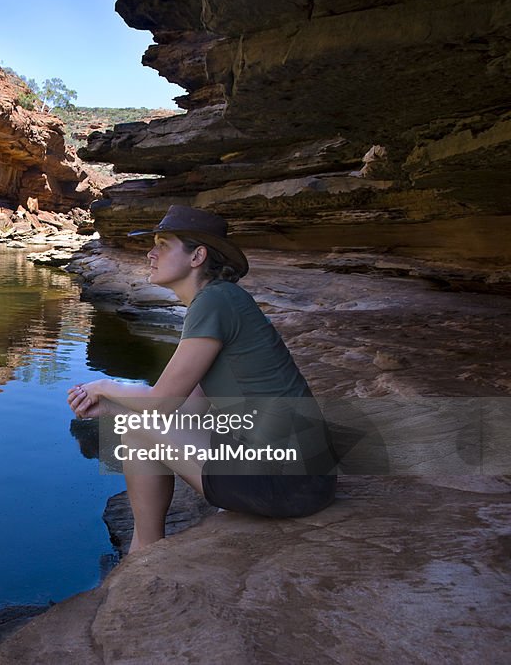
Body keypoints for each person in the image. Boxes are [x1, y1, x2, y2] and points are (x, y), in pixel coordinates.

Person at [68, 205, 336, 553]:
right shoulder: (222, 301)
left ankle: (146, 552)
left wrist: (104, 386)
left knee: (136, 430)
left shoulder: (214, 302)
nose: (151, 253)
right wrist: (114, 408)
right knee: (136, 423)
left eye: (163, 244)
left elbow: (163, 404)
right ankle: (146, 548)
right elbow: (187, 408)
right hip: (310, 480)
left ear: (197, 256)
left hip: (289, 485)